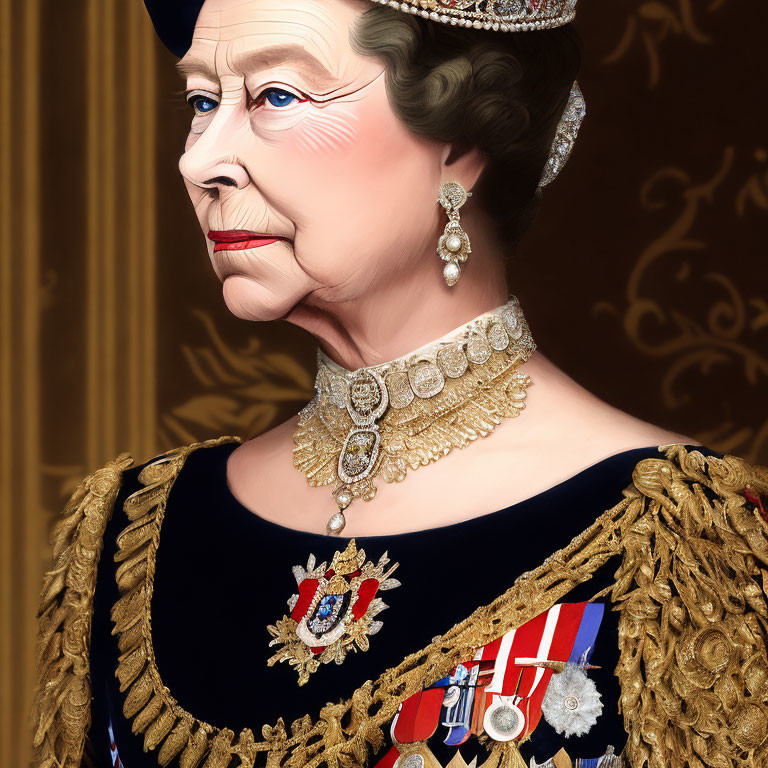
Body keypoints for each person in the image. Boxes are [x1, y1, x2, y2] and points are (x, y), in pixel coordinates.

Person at [31, 1, 768, 767]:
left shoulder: (673, 539)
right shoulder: (131, 534)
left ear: (459, 137)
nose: (199, 161)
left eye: (275, 96)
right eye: (202, 102)